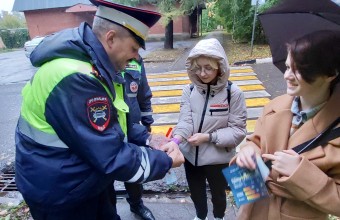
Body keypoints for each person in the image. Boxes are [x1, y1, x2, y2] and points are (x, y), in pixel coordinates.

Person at [15, 0, 184, 219]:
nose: (136, 58)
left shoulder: (98, 67)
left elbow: (115, 122)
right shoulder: (75, 77)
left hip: (83, 180)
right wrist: (166, 161)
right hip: (62, 195)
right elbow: (111, 156)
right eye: (134, 48)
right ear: (111, 38)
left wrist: (148, 139)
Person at [233, 30, 340, 220]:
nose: (287, 76)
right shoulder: (274, 106)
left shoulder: (335, 130)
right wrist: (247, 153)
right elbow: (255, 142)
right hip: (252, 211)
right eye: (288, 66)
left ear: (330, 74)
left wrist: (300, 174)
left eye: (300, 70)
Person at [169, 38, 247, 220]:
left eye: (208, 68)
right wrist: (176, 140)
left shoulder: (233, 93)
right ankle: (200, 216)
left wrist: (208, 137)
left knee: (218, 194)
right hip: (191, 157)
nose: (202, 73)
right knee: (196, 193)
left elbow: (238, 131)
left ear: (220, 66)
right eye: (198, 67)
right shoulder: (188, 90)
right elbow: (185, 121)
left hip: (217, 159)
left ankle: (219, 217)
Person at [121, 57, 156, 220]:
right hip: (108, 131)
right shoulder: (100, 60)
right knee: (105, 175)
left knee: (134, 169)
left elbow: (143, 95)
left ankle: (137, 205)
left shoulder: (135, 61)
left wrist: (147, 124)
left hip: (133, 129)